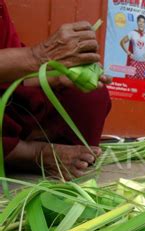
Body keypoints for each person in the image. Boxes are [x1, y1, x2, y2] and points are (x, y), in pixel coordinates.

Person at [1, 0, 111, 179]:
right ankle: (34, 154)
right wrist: (37, 56)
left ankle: (28, 141)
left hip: (8, 97)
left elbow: (10, 76)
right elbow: (29, 59)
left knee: (90, 96)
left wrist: (55, 77)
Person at [120, 15, 145, 79]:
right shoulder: (132, 33)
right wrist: (128, 52)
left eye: (143, 22)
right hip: (134, 62)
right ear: (137, 22)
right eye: (140, 21)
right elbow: (122, 42)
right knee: (131, 83)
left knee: (142, 84)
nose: (141, 23)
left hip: (143, 64)